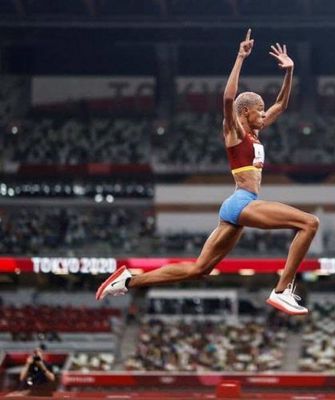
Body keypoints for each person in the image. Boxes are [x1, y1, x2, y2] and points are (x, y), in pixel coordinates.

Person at [96, 29, 319, 315]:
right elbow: (228, 99)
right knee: (309, 223)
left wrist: (289, 73)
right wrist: (240, 57)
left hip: (236, 206)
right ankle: (281, 290)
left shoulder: (254, 134)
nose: (264, 116)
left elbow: (281, 105)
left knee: (199, 269)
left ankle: (129, 280)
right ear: (246, 112)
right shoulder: (235, 131)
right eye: (259, 111)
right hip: (242, 203)